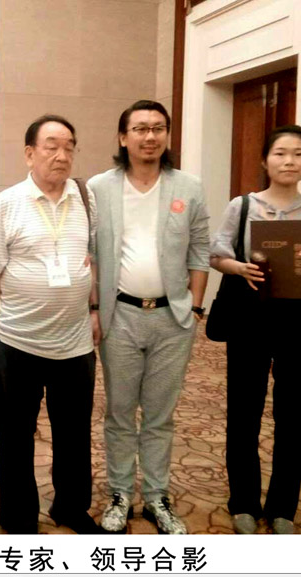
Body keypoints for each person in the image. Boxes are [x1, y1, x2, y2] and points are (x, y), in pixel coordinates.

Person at [209, 124, 301, 535]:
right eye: (281, 153)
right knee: (243, 410)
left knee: (293, 413)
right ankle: (243, 502)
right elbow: (216, 254)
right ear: (265, 160)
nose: (289, 161)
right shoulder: (242, 206)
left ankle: (283, 506)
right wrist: (239, 267)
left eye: (298, 154)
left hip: (299, 318)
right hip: (250, 314)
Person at [88, 100, 209, 534]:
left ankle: (157, 497)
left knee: (160, 414)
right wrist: (94, 309)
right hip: (119, 315)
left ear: (167, 136)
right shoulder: (100, 188)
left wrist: (195, 308)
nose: (149, 136)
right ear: (123, 137)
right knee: (120, 412)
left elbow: (200, 250)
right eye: (139, 128)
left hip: (171, 319)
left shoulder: (188, 187)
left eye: (158, 128)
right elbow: (89, 253)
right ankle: (120, 493)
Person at [0, 114, 101, 535]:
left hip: (74, 343)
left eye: (69, 146)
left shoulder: (85, 198)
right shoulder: (7, 203)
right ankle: (19, 518)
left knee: (74, 433)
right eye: (51, 146)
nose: (61, 155)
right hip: (16, 342)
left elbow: (91, 258)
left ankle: (71, 507)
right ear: (30, 153)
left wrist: (94, 309)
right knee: (16, 435)